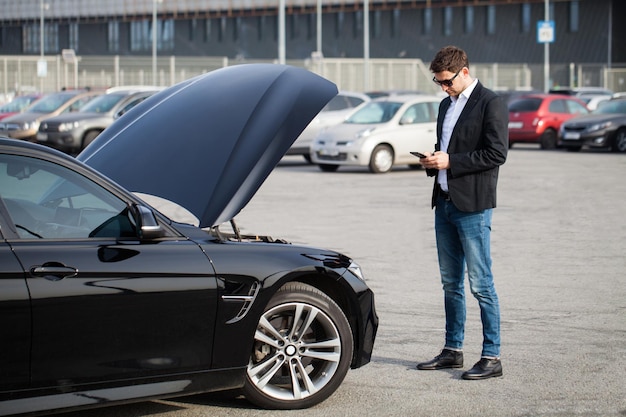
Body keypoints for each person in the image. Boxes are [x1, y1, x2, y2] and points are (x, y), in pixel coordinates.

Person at [416, 45, 508, 380]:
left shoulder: (490, 103)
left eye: (447, 81)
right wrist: (433, 161)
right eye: (438, 82)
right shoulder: (446, 105)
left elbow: (496, 153)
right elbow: (447, 150)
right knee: (450, 283)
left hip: (473, 207)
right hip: (444, 203)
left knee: (481, 283)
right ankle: (453, 350)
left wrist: (451, 161)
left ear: (464, 72)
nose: (443, 87)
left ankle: (492, 356)